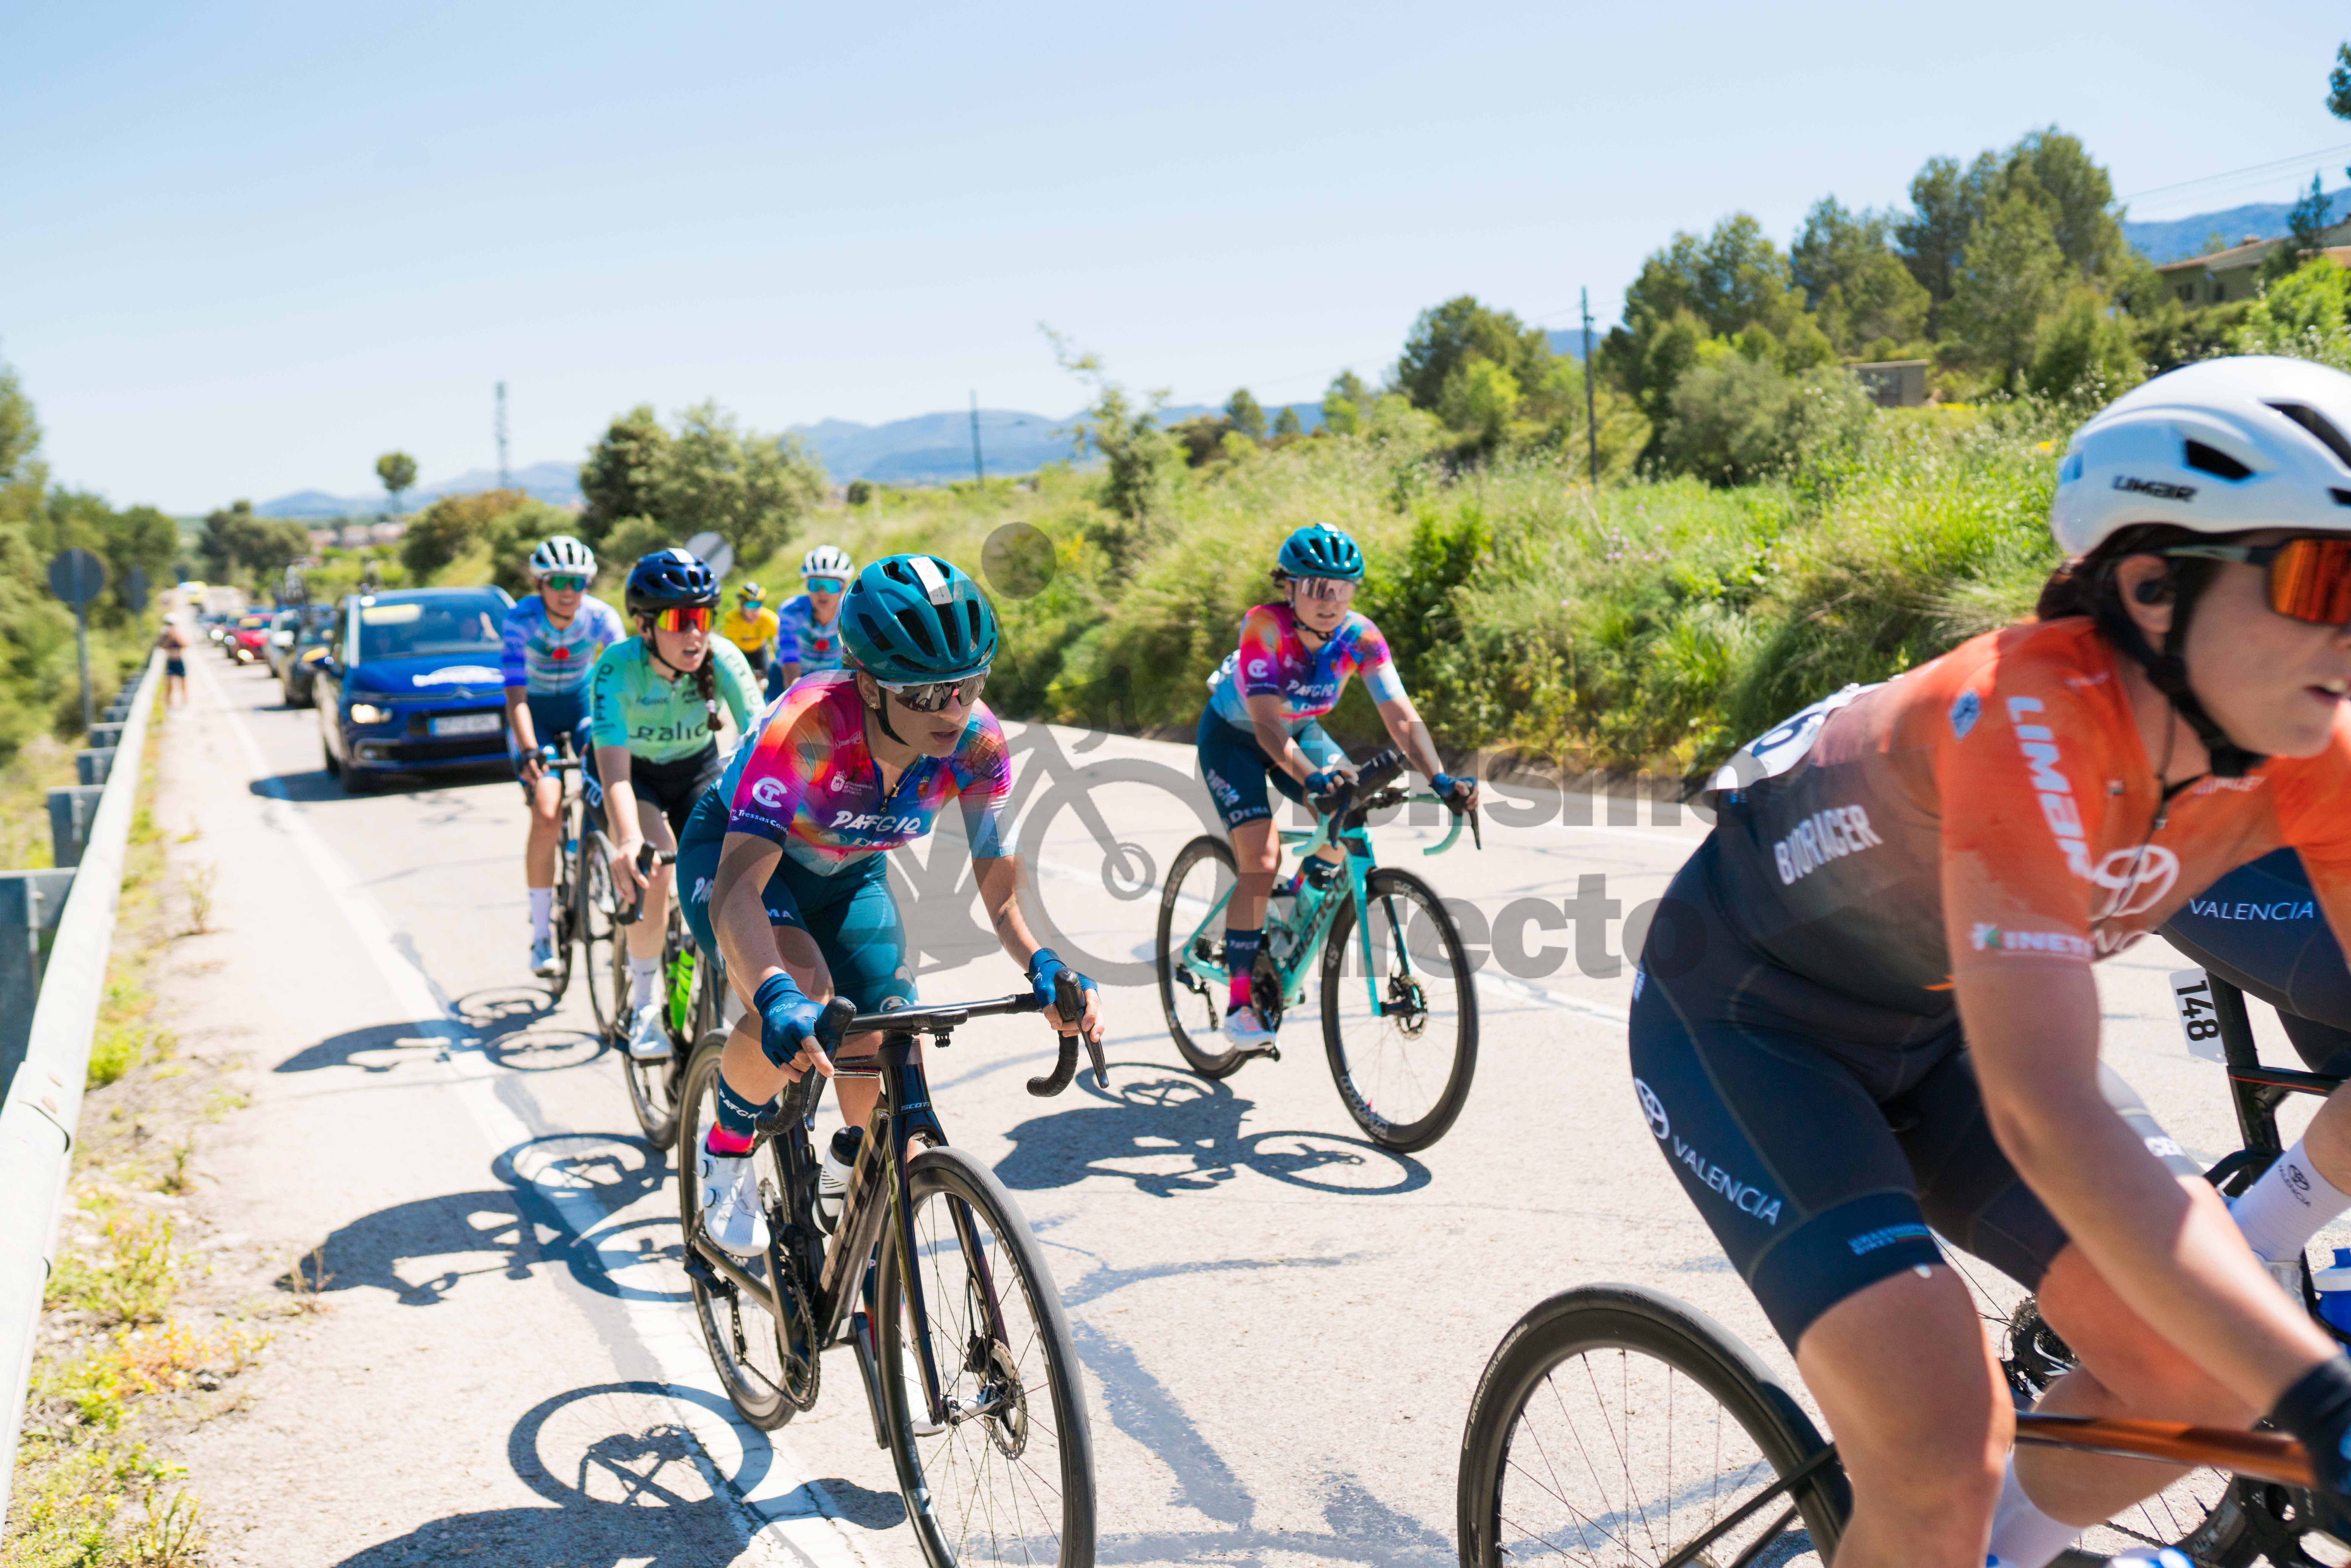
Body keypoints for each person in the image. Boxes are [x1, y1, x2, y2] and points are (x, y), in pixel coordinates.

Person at [1627, 356, 2351, 1568]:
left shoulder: (2310, 746)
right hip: (1756, 1029)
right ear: (2150, 585)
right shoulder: (2018, 719)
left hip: (1946, 1027)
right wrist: (2323, 1399)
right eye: (2323, 576)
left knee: (2202, 1378)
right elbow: (2047, 1114)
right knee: (1936, 1446)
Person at [679, 552, 1102, 1256]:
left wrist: (1044, 961)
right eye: (925, 694)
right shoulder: (809, 728)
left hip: (847, 874)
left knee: (882, 1037)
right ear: (870, 685)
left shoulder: (979, 744)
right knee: (804, 992)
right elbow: (740, 890)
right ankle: (725, 1145)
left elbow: (1000, 892)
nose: (954, 709)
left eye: (968, 684)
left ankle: (851, 1169)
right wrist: (776, 993)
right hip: (738, 864)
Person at [1195, 523, 1477, 1054]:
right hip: (1238, 738)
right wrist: (1313, 778)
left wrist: (1440, 778)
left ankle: (1292, 914)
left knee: (1351, 813)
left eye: (1342, 589)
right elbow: (1265, 726)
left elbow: (1399, 714)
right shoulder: (1264, 628)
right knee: (1261, 858)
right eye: (1317, 588)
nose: (1330, 601)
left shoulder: (1361, 637)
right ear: (1289, 588)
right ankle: (1237, 1002)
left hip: (1299, 732)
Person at [590, 549, 760, 1062]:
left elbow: (762, 736)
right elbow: (615, 769)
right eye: (680, 620)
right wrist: (627, 840)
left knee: (742, 865)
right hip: (633, 776)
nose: (695, 633)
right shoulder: (617, 667)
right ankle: (643, 1005)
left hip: (696, 770)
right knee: (655, 866)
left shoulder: (722, 656)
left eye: (703, 617)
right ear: (645, 626)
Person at [501, 536, 624, 978]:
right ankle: (540, 934)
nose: (568, 590)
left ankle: (597, 863)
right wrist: (530, 747)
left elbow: (621, 680)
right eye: (558, 582)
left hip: (583, 707)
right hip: (535, 715)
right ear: (540, 583)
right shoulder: (520, 620)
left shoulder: (601, 618)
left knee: (612, 781)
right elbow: (514, 694)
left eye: (578, 581)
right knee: (548, 811)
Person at [767, 544, 852, 699]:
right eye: (816, 585)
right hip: (787, 675)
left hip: (829, 678)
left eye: (831, 586)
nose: (823, 593)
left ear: (843, 588)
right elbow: (790, 660)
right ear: (807, 586)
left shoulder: (850, 613)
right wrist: (795, 690)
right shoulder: (791, 612)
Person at [719, 581, 779, 680]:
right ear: (742, 606)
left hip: (760, 650)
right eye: (751, 606)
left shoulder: (769, 618)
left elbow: (783, 639)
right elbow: (727, 647)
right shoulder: (732, 620)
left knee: (771, 675)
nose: (755, 611)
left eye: (758, 605)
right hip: (740, 652)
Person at [157, 618, 190, 706]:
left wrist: (177, 637)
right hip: (171, 661)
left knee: (183, 685)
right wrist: (170, 638)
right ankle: (170, 706)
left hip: (179, 661)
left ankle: (185, 704)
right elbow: (161, 647)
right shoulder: (165, 636)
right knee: (169, 686)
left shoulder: (179, 634)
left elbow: (187, 645)